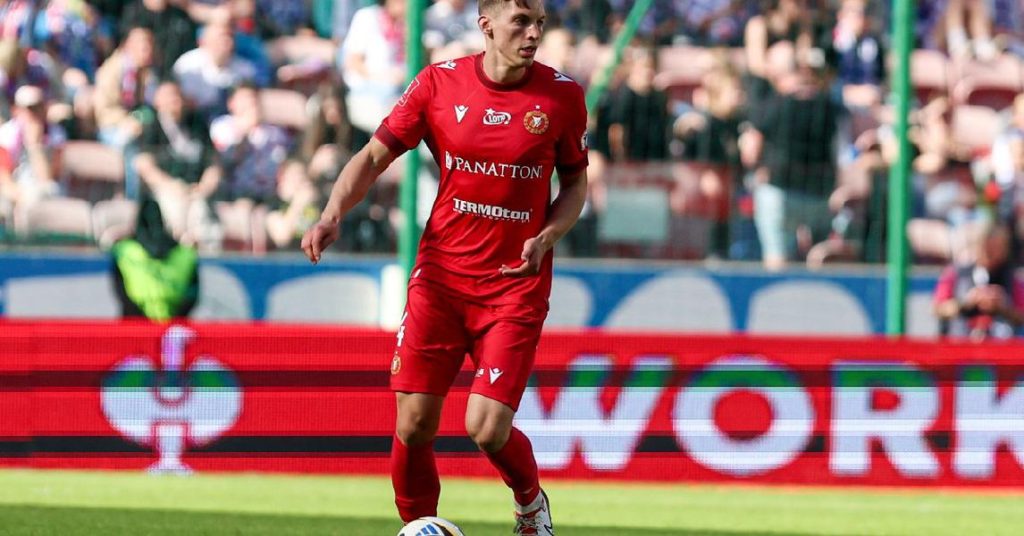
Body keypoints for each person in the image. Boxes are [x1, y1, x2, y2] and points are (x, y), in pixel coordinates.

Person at [301, 1, 587, 533]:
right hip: (440, 280)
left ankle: (530, 502)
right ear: (486, 25)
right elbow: (373, 156)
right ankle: (420, 527)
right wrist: (331, 213)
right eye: (521, 22)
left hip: (514, 287)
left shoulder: (562, 96)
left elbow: (574, 185)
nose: (533, 34)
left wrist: (547, 236)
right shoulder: (438, 84)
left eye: (540, 24)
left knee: (487, 427)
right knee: (414, 423)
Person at [112, 196, 199, 321]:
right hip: (172, 328)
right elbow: (192, 294)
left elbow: (121, 292)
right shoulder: (185, 254)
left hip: (137, 326)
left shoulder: (124, 250)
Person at [934, 221, 1024, 340]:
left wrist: (1002, 306)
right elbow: (938, 309)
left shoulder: (1012, 278)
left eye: (997, 248)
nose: (992, 252)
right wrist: (967, 302)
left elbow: (1020, 316)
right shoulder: (957, 273)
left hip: (1000, 346)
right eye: (988, 246)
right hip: (959, 344)